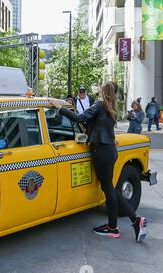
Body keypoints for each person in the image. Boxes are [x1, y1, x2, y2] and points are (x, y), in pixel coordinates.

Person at [50, 81, 147, 242]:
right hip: (110, 150)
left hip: (101, 151)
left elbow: (80, 118)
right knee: (110, 188)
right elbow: (107, 127)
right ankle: (132, 221)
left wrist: (60, 107)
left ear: (104, 91)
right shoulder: (111, 107)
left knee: (108, 188)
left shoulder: (100, 105)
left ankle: (115, 226)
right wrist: (112, 138)